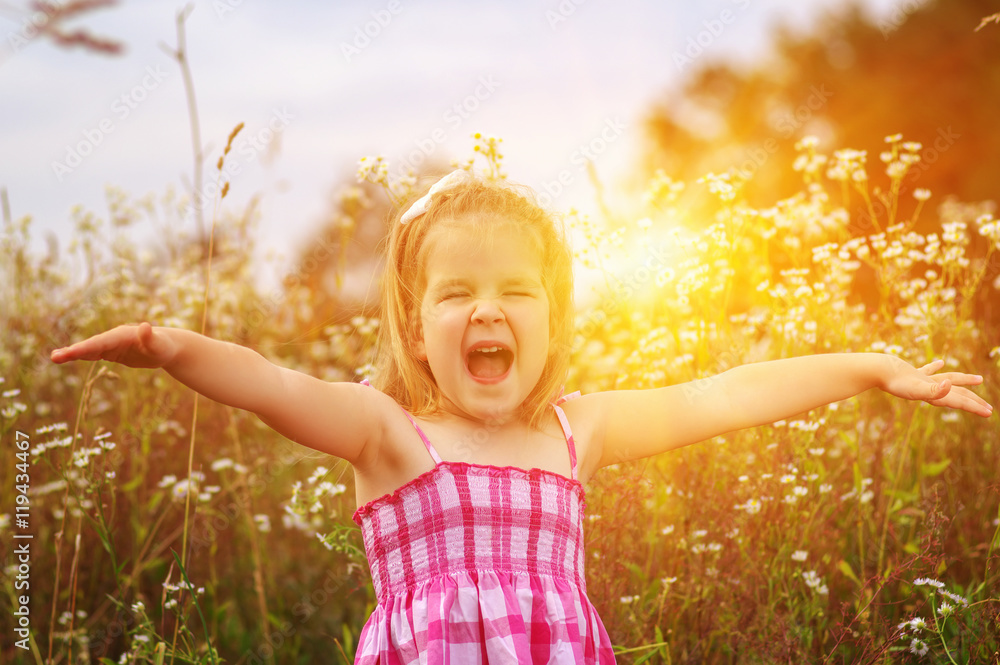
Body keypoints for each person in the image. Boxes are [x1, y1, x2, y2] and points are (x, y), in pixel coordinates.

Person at [50, 169, 994, 664]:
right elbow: (271, 383)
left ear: (552, 321)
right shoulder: (388, 434)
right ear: (417, 330)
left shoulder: (575, 433)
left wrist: (876, 366)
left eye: (516, 290)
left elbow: (726, 396)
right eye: (456, 292)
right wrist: (167, 345)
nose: (489, 309)